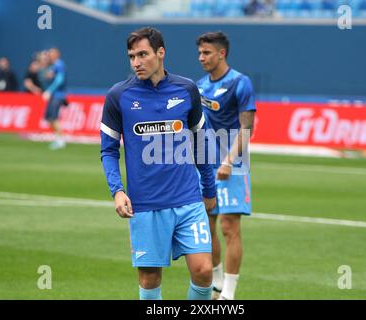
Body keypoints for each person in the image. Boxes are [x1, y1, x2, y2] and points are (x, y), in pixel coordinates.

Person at [100, 27, 217, 300]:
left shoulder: (187, 89)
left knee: (203, 271)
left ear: (161, 53)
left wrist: (209, 188)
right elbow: (108, 151)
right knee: (149, 278)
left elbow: (200, 142)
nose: (136, 62)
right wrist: (117, 190)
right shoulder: (118, 96)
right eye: (131, 56)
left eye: (143, 54)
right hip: (146, 204)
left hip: (188, 199)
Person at [196, 31, 256, 300]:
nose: (201, 58)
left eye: (206, 53)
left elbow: (246, 127)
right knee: (207, 226)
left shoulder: (240, 83)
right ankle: (218, 283)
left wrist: (229, 161)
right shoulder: (199, 86)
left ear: (222, 53)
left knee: (229, 226)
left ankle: (229, 294)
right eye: (199, 53)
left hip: (233, 164)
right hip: (205, 164)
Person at [42, 47, 67, 150]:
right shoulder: (53, 66)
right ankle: (58, 138)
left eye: (52, 54)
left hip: (58, 95)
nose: (50, 56)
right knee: (48, 118)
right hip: (54, 95)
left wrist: (49, 90)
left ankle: (61, 140)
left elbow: (60, 80)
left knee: (54, 117)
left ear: (56, 54)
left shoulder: (59, 64)